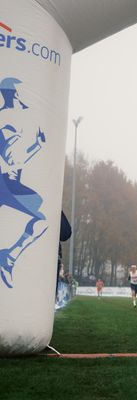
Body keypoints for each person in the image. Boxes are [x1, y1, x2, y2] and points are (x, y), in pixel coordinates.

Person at [0, 77, 48, 288]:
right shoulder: (7, 117)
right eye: (20, 93)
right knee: (41, 218)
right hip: (5, 183)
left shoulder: (17, 118)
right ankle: (8, 258)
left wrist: (37, 146)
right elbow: (11, 160)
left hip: (11, 184)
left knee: (42, 220)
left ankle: (8, 258)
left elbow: (16, 160)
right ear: (14, 95)